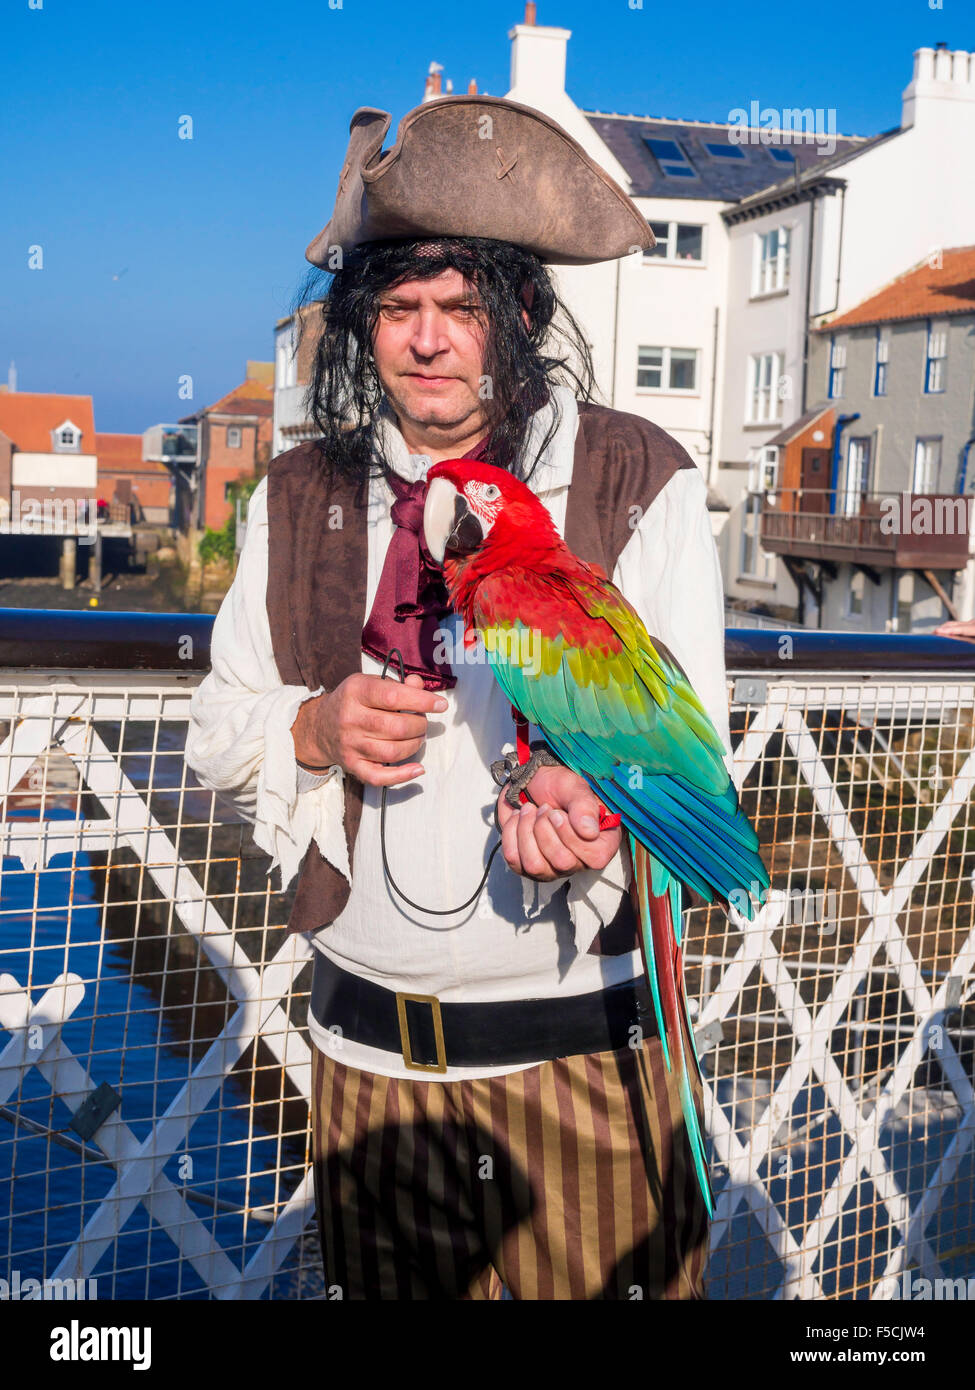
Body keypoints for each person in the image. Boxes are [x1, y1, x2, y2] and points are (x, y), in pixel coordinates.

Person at [185, 95, 732, 1300]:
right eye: (398, 309)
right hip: (366, 1073)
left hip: (578, 1068)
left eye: (462, 309)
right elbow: (215, 737)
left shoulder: (634, 473)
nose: (428, 341)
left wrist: (592, 802)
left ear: (521, 316)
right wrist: (312, 725)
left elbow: (699, 753)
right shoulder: (296, 492)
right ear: (361, 326)